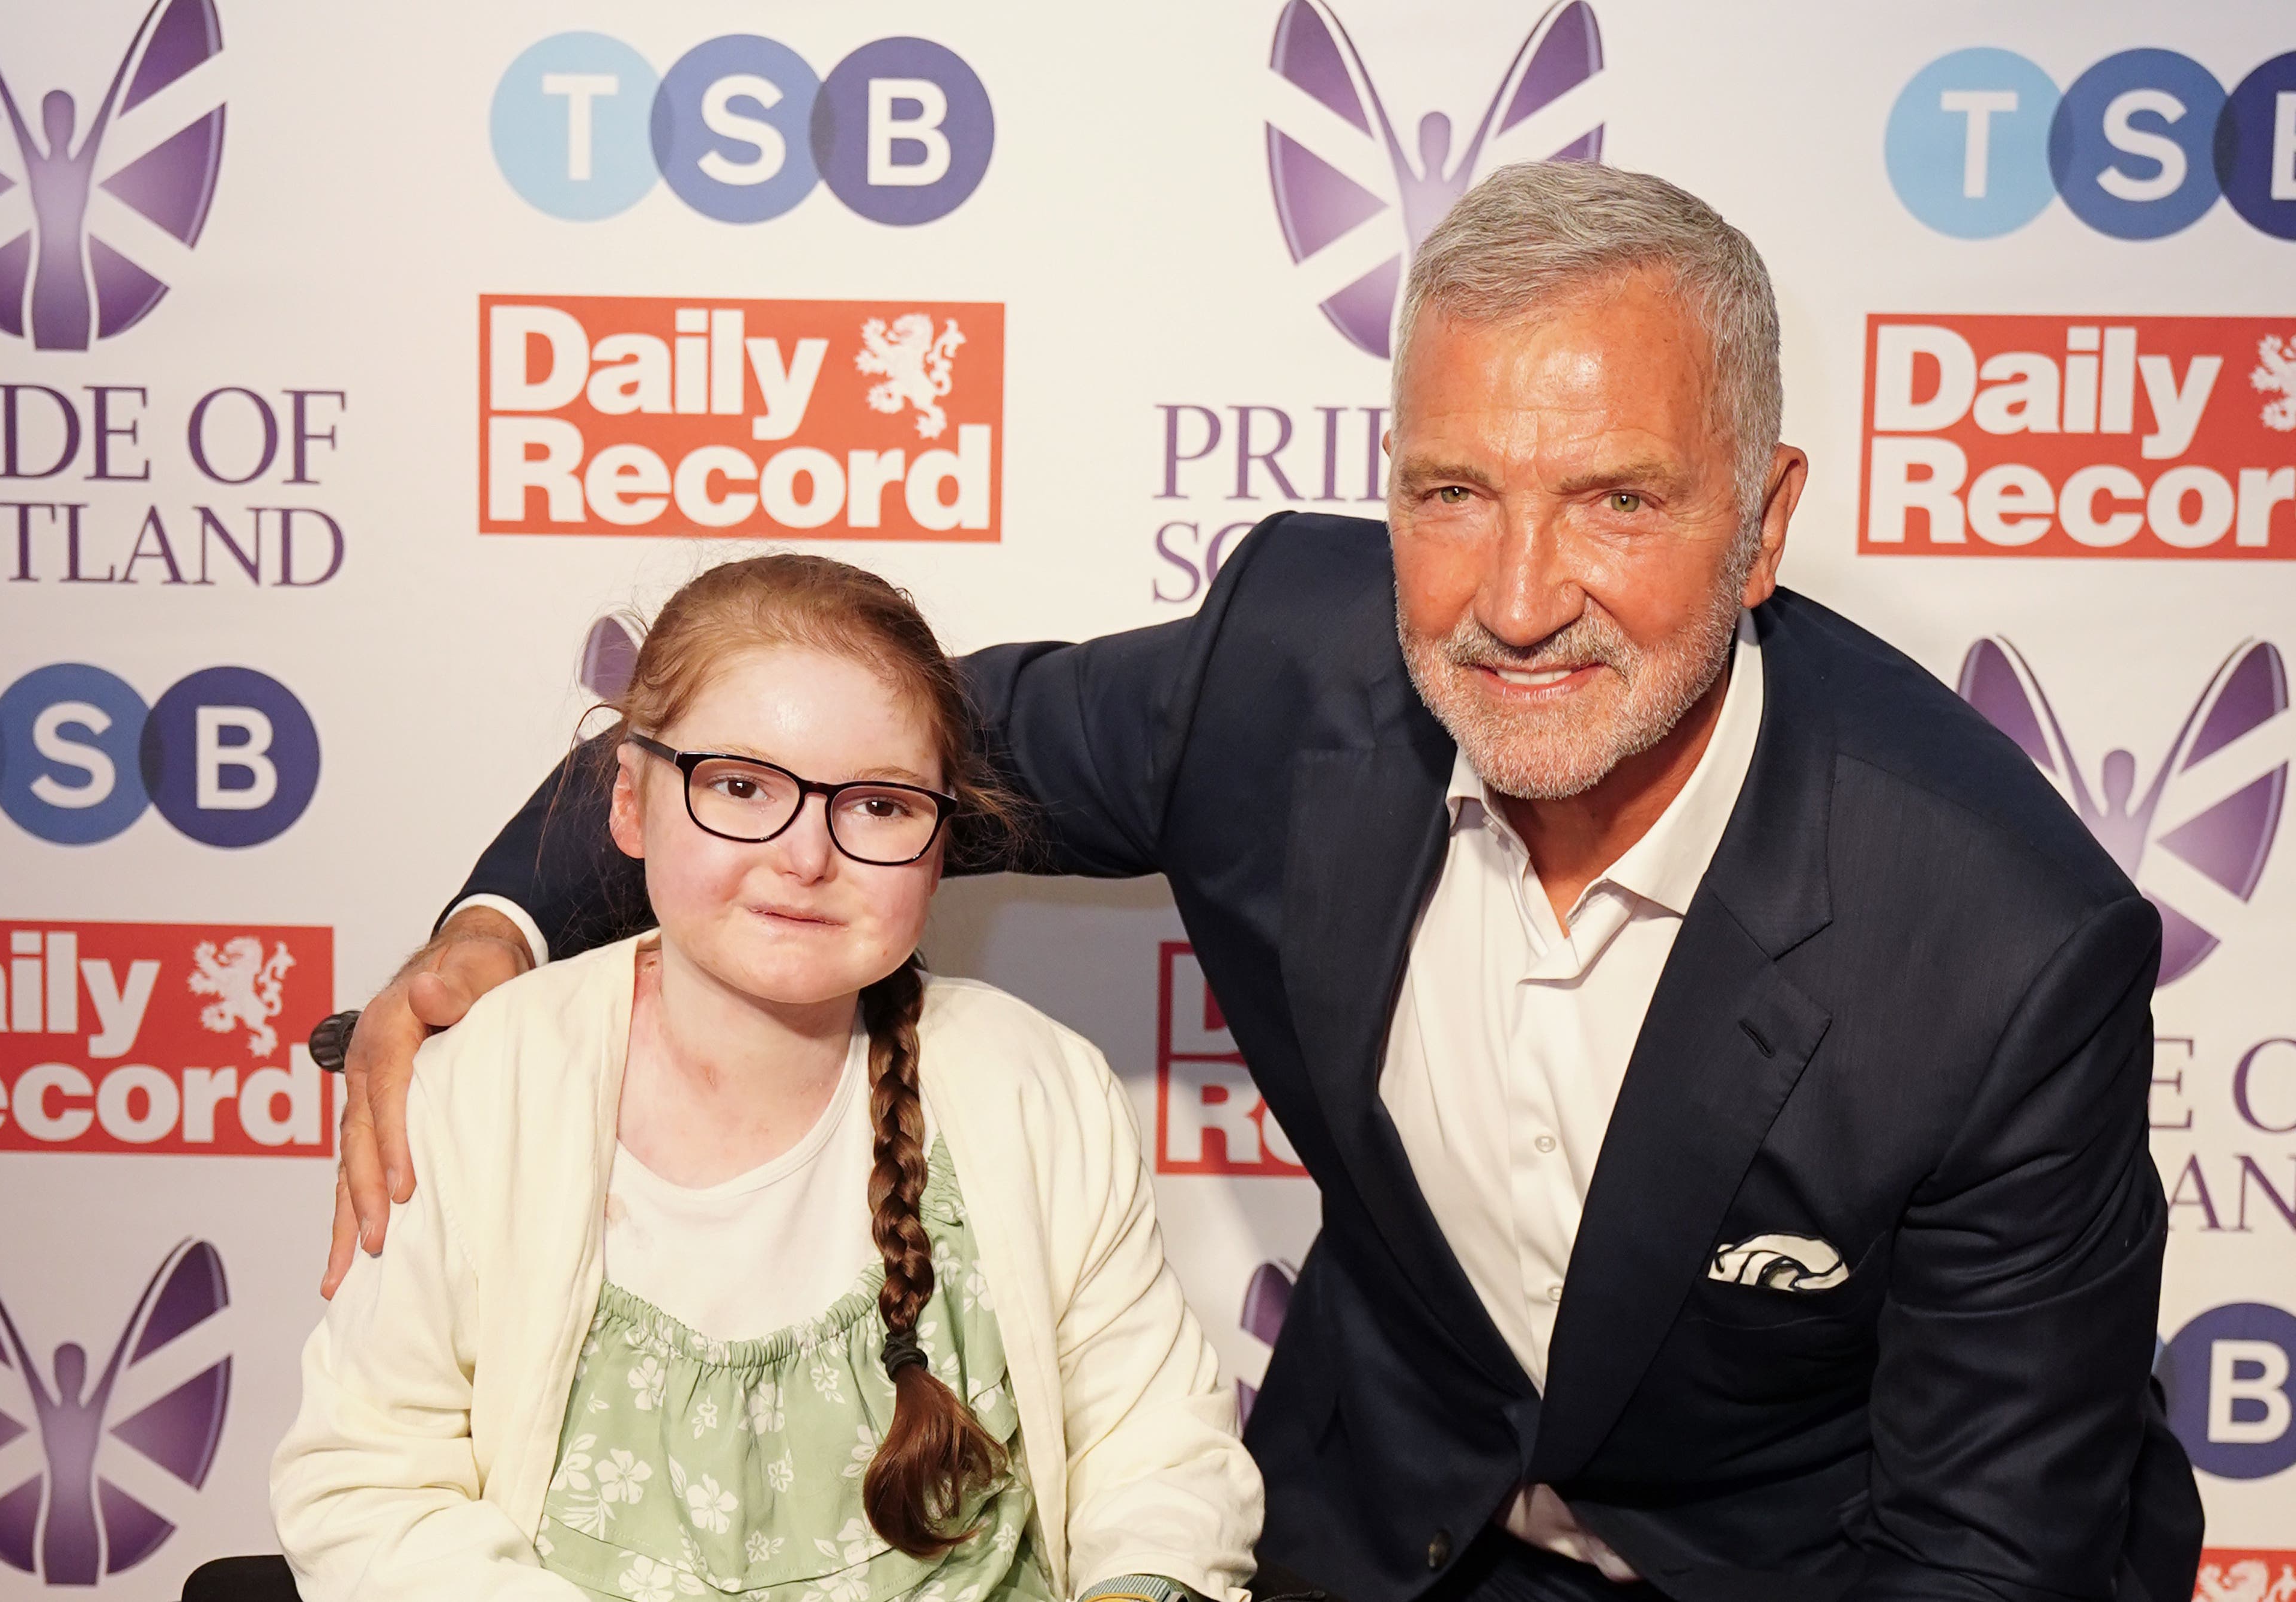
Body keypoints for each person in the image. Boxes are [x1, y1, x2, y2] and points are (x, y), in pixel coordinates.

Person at [323, 165, 2203, 1602]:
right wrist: (493, 933)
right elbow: (823, 749)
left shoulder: (1996, 948)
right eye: (1454, 491)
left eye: (1619, 500)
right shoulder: (1283, 676)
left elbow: (1979, 1555)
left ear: (1768, 521)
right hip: (1390, 1527)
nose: (1520, 596)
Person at [272, 556, 1262, 1602]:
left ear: (942, 838)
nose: (805, 858)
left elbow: (1159, 1456)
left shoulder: (1038, 1090)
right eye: (740, 787)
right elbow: (370, 1485)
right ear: (629, 803)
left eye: (878, 805)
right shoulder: (491, 1085)